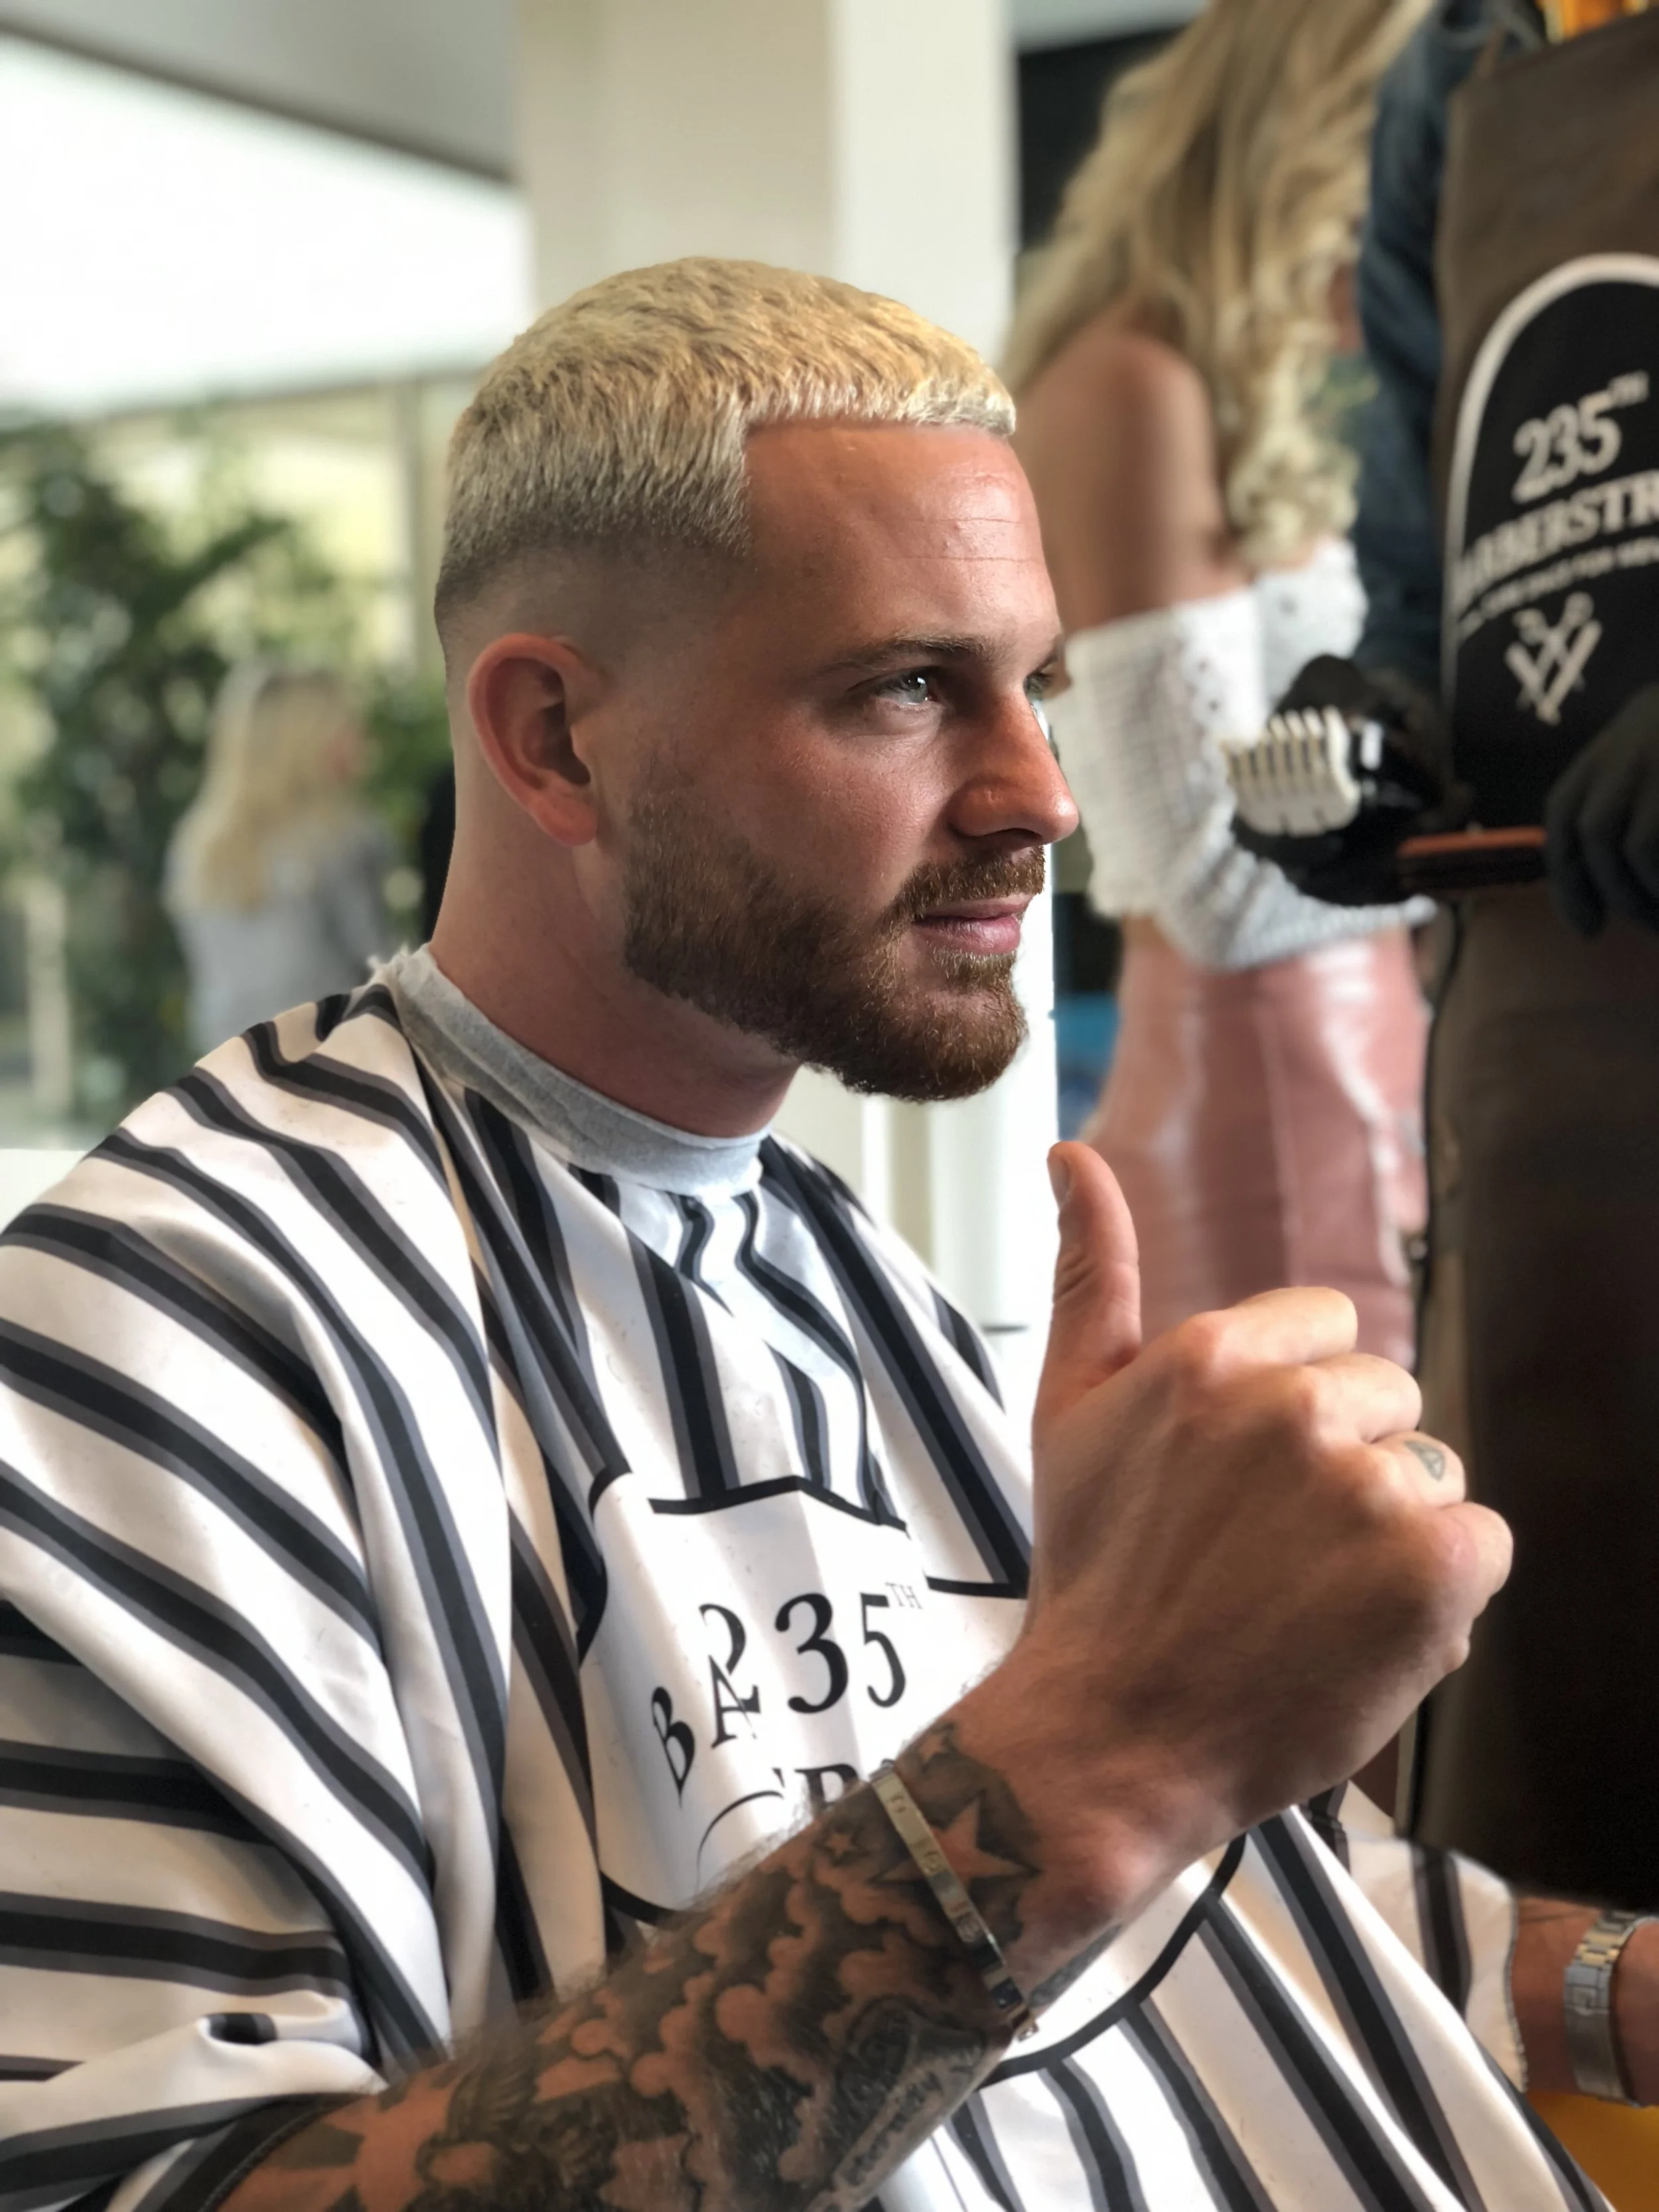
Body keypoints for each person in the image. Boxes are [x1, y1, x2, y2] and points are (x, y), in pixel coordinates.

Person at [0, 259, 1646, 2212]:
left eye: (1030, 683)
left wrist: (1614, 1988)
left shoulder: (849, 1277)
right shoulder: (160, 1350)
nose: (1037, 793)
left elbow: (1238, 1907)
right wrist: (1101, 1739)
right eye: (901, 687)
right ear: (552, 741)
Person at [1249, 0, 1659, 1923]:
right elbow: (1430, 578)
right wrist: (1379, 721)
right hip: (1543, 1073)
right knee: (1563, 1734)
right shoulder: (1456, 71)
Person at [1007, 0, 1434, 1370]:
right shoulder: (1130, 385)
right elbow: (1210, 879)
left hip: (1361, 1059)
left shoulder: (1237, 395)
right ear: (1322, 143)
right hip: (1271, 1089)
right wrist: (1501, 847)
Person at [167, 664, 394, 1053]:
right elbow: (385, 968)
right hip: (334, 1069)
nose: (363, 740)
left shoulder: (199, 848)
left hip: (231, 1077)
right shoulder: (343, 839)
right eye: (348, 727)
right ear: (307, 742)